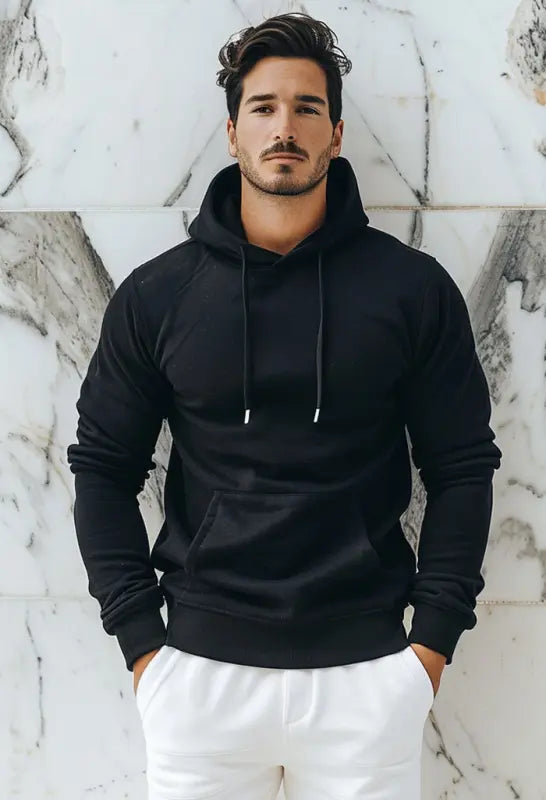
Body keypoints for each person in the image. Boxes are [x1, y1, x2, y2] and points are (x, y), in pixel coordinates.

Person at [67, 11, 502, 800]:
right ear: (233, 131)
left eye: (307, 108)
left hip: (367, 680)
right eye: (264, 107)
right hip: (200, 681)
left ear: (336, 134)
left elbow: (463, 468)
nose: (285, 128)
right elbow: (101, 469)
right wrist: (143, 650)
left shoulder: (411, 291)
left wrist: (428, 651)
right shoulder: (160, 296)